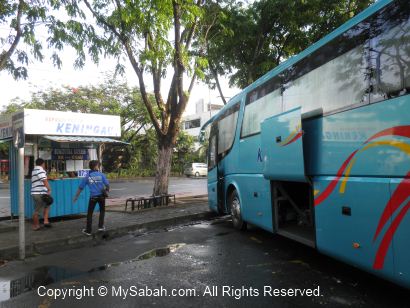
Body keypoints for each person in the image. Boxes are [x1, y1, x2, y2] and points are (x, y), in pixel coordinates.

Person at [73, 160, 109, 236]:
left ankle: (88, 231)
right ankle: (101, 227)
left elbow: (80, 188)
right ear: (95, 166)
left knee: (90, 214)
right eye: (98, 165)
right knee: (102, 211)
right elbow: (107, 184)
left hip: (93, 197)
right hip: (101, 196)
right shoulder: (101, 174)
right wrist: (106, 190)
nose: (98, 166)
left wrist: (76, 197)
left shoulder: (87, 176)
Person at [31, 158, 52, 230]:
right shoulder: (40, 170)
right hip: (39, 193)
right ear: (43, 163)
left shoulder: (35, 170)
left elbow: (42, 178)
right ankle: (35, 226)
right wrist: (49, 189)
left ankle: (46, 221)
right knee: (38, 210)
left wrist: (48, 178)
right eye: (44, 164)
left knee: (47, 205)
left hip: (39, 193)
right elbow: (44, 180)